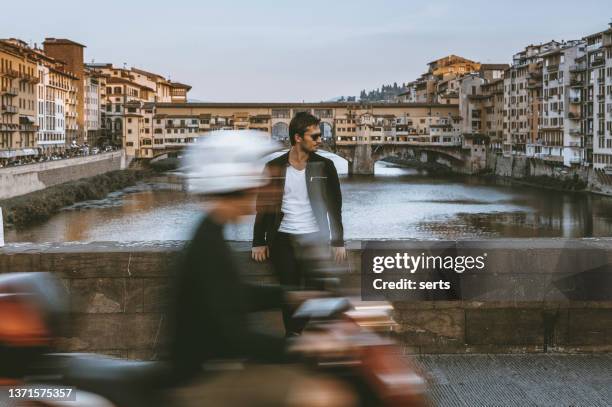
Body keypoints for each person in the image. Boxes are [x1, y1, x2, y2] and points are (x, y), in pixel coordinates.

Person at [168, 130, 355, 407]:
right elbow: (232, 337)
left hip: (216, 366)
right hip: (203, 378)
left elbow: (231, 295)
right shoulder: (207, 242)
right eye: (257, 182)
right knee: (324, 396)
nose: (264, 189)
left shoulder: (211, 230)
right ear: (236, 183)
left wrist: (291, 295)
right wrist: (301, 346)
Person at [251, 112, 346, 335]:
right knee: (290, 291)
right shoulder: (274, 166)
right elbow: (263, 207)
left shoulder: (325, 166)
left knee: (317, 291)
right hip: (283, 238)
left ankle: (296, 333)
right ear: (298, 138)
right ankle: (293, 335)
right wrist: (258, 241)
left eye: (320, 135)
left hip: (315, 237)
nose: (320, 140)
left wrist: (338, 240)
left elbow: (335, 206)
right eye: (314, 136)